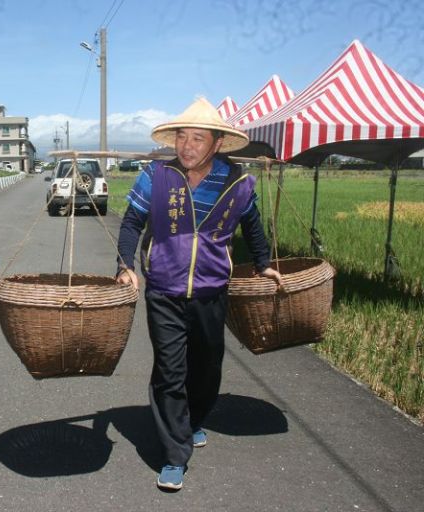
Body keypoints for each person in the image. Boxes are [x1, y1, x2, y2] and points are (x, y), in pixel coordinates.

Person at [115, 97, 283, 491]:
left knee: (206, 366)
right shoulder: (155, 177)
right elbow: (130, 225)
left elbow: (253, 225)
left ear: (217, 144)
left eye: (197, 139)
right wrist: (126, 266)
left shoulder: (236, 182)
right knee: (171, 371)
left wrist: (262, 263)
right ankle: (175, 454)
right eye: (182, 138)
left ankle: (194, 419)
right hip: (164, 290)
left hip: (211, 290)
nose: (187, 146)